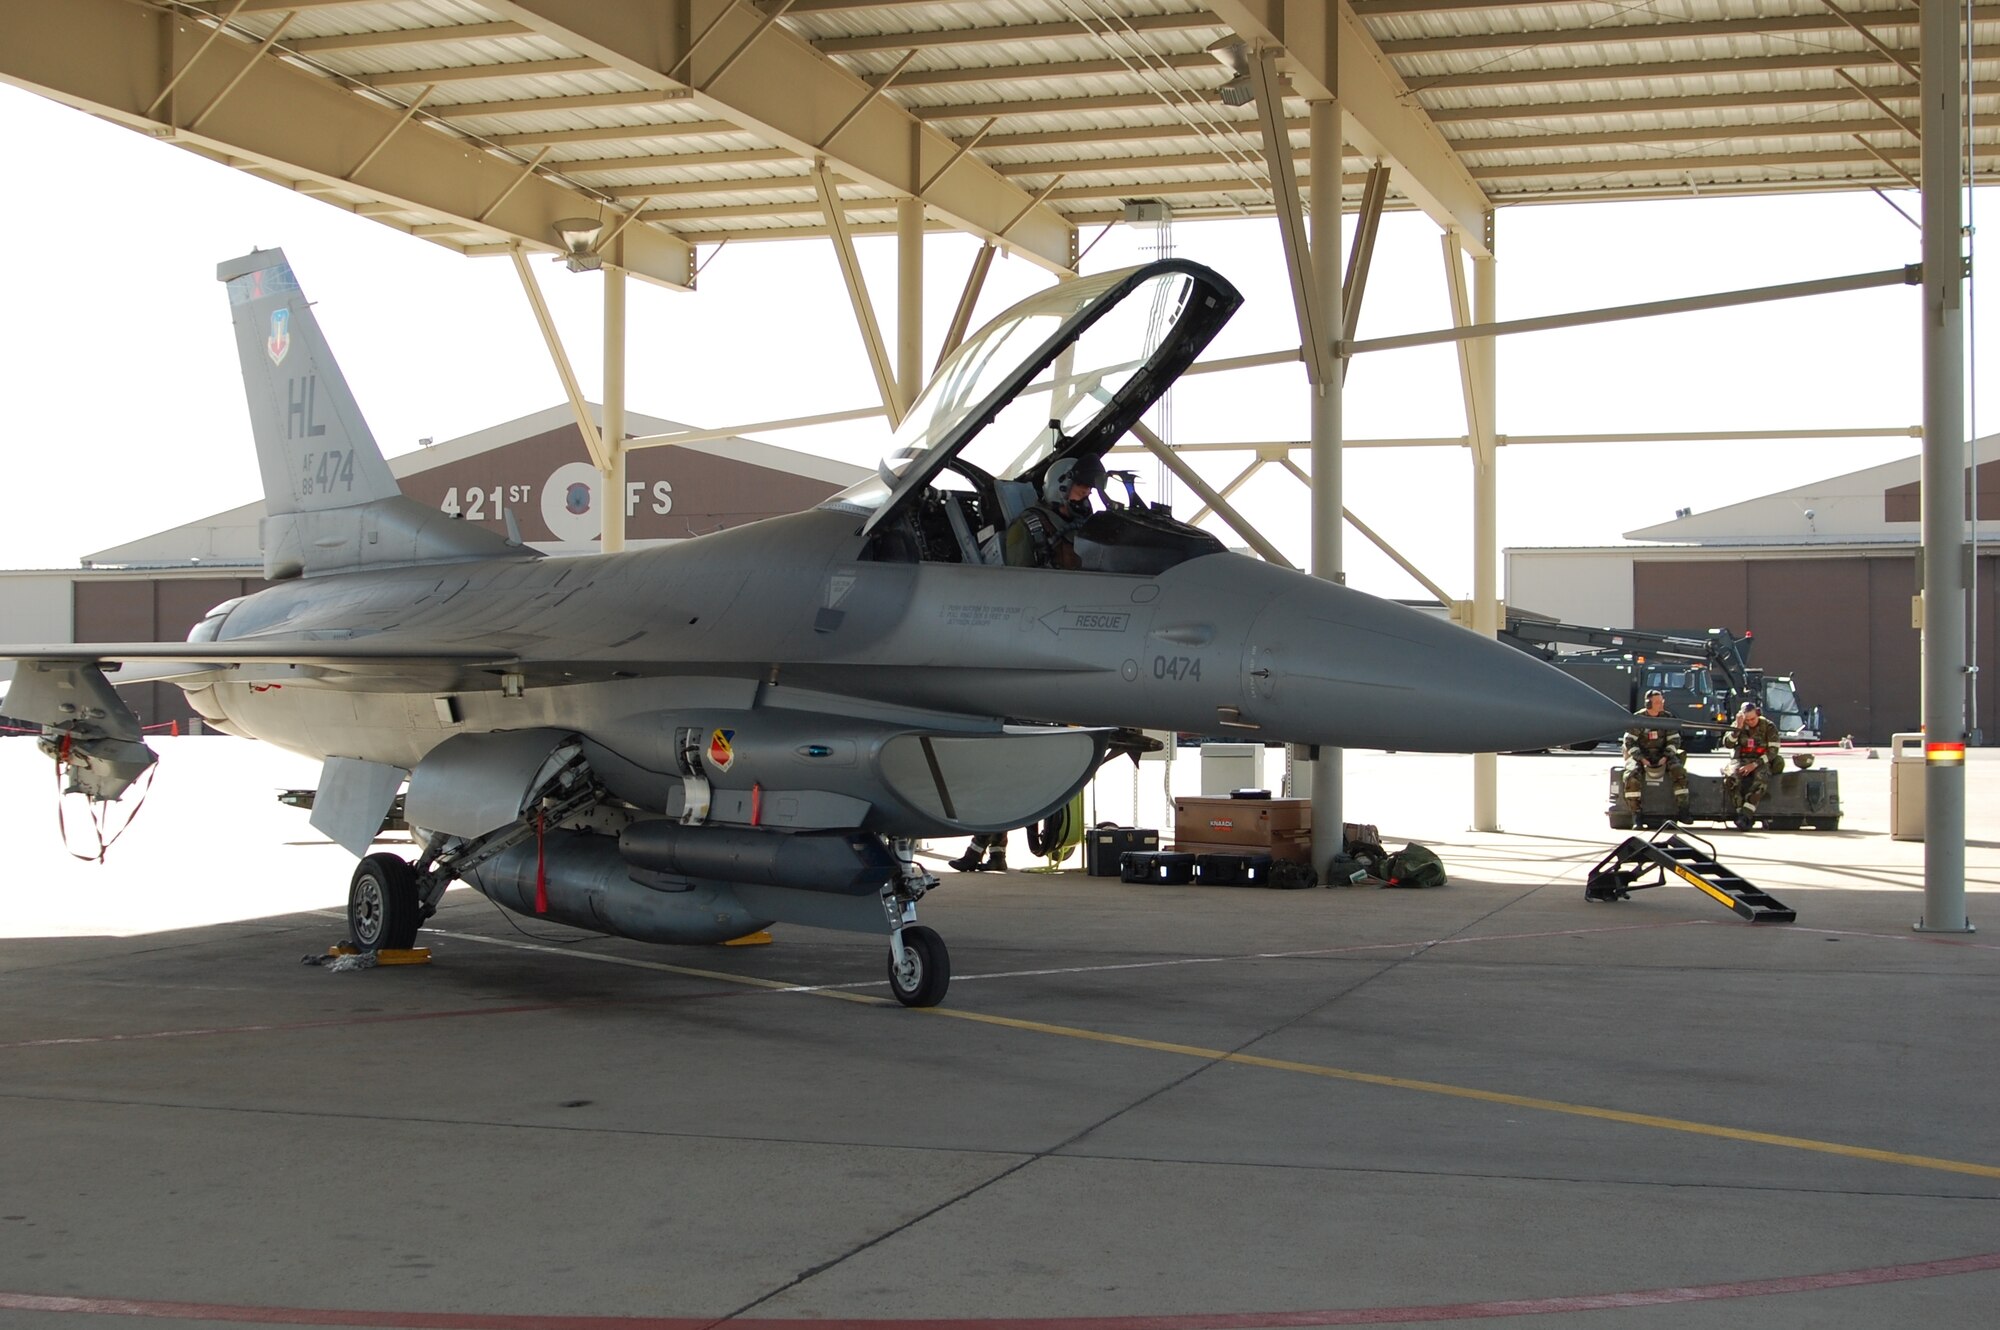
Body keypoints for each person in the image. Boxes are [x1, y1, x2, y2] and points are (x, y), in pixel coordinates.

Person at [1005, 455, 1105, 569]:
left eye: (1088, 495)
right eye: (1081, 494)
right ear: (1059, 490)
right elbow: (1018, 581)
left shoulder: (1083, 526)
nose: (1086, 502)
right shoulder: (1026, 527)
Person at [1621, 689, 1689, 817]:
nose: (1661, 704)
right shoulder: (1638, 719)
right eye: (1657, 702)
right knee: (1631, 775)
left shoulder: (1667, 718)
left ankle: (1683, 810)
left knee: (1679, 771)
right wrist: (1641, 759)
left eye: (1661, 701)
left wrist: (1666, 756)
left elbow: (1674, 740)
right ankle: (1636, 814)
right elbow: (1629, 741)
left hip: (1663, 754)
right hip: (1641, 755)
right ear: (1648, 704)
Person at [1720, 699, 1783, 828]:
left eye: (1752, 719)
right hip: (1741, 759)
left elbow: (1773, 751)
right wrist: (1737, 728)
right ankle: (1740, 812)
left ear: (1757, 714)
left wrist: (1754, 764)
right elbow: (1727, 744)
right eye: (1747, 720)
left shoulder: (1768, 726)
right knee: (1730, 778)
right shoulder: (1739, 724)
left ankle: (1746, 814)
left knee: (1761, 778)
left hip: (1761, 759)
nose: (1750, 722)